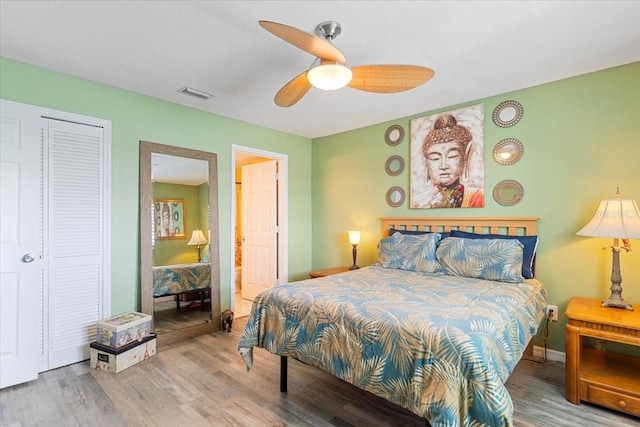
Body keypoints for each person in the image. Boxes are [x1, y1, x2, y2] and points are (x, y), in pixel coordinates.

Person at [413, 113, 483, 208]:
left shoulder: (479, 198)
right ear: (427, 163)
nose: (443, 166)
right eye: (435, 158)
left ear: (464, 158)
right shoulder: (417, 203)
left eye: (452, 156)